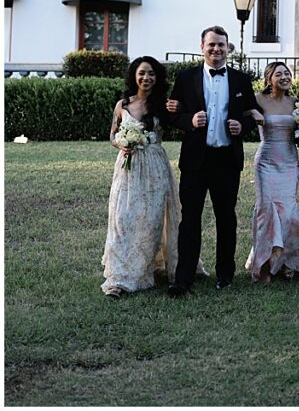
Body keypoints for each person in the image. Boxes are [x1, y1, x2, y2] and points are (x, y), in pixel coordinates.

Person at [165, 26, 259, 297]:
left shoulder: (241, 80)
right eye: (211, 45)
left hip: (227, 160)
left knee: (226, 219)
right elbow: (174, 113)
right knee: (190, 220)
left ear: (229, 48)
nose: (216, 50)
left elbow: (252, 113)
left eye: (221, 45)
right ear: (202, 47)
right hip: (196, 161)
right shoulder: (185, 78)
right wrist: (189, 121)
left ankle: (225, 275)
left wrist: (242, 125)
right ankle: (183, 279)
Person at [102, 57, 200, 296]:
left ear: (158, 78)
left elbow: (182, 122)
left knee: (150, 221)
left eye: (152, 74)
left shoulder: (163, 105)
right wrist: (122, 145)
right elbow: (112, 135)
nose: (147, 78)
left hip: (155, 168)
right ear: (134, 76)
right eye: (142, 73)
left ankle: (147, 268)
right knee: (123, 219)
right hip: (128, 168)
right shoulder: (122, 105)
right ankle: (121, 277)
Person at [244, 62, 299, 283]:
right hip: (266, 162)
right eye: (279, 74)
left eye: (287, 73)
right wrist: (252, 111)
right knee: (266, 212)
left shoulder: (296, 103)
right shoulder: (258, 99)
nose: (284, 77)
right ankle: (262, 266)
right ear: (269, 78)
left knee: (288, 211)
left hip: (290, 162)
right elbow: (239, 107)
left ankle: (283, 264)